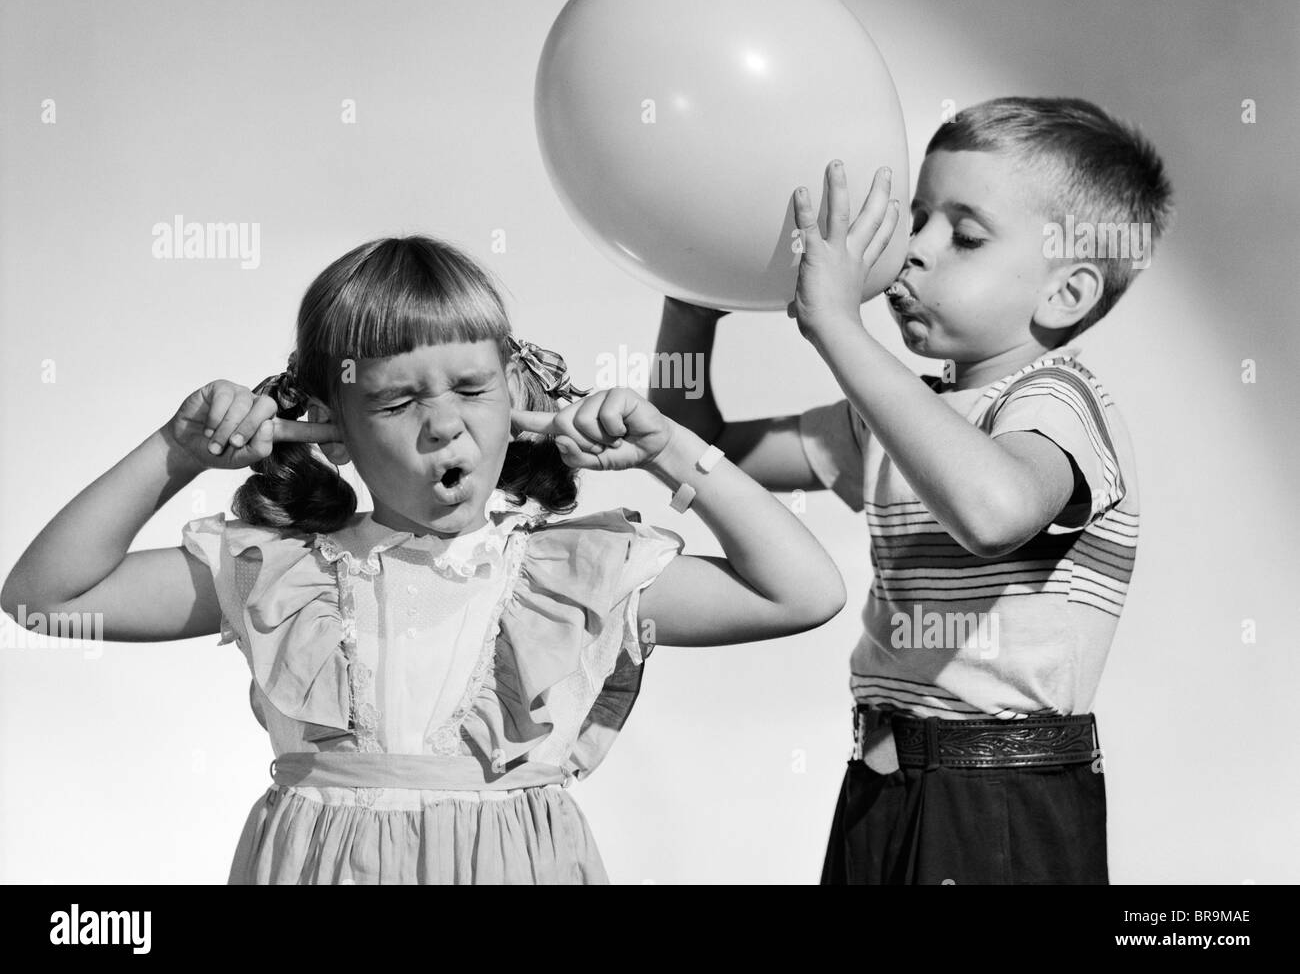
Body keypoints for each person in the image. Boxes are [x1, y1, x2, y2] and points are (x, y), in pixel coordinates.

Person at [1, 234, 846, 885]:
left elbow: (802, 593)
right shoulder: (281, 572)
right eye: (399, 399)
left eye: (472, 389)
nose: (444, 425)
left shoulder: (569, 574)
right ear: (329, 419)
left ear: (518, 395)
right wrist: (176, 451)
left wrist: (676, 450)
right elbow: (42, 597)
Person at [650, 96, 1171, 884]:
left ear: (1065, 293)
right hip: (882, 787)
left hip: (999, 800)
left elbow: (993, 512)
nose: (913, 252)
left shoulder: (1057, 401)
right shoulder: (902, 413)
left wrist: (839, 330)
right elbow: (708, 448)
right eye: (916, 219)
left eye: (964, 236)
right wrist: (690, 302)